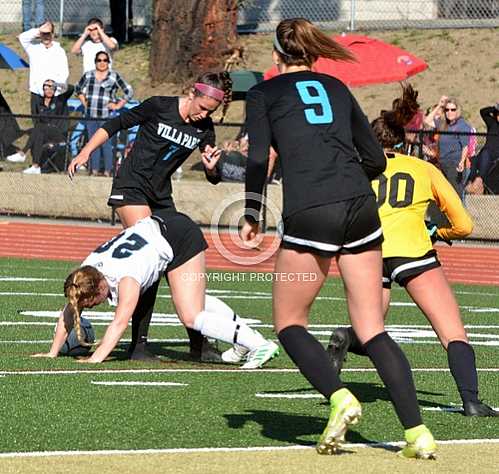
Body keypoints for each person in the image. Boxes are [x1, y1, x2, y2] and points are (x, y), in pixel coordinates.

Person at [240, 18, 436, 459]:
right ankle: (417, 433)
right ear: (313, 53)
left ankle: (341, 398)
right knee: (372, 329)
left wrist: (252, 212)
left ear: (276, 56)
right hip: (360, 205)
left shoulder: (263, 92)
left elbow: (257, 159)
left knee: (289, 325)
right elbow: (375, 159)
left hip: (312, 208)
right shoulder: (336, 86)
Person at [67, 72, 276, 363]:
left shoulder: (204, 128)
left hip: (161, 196)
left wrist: (212, 167)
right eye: (202, 107)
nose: (204, 114)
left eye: (211, 112)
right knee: (146, 262)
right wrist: (85, 152)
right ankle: (138, 346)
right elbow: (116, 124)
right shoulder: (159, 106)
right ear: (192, 93)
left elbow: (212, 177)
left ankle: (199, 343)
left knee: (181, 269)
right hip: (131, 188)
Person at [327, 85, 498, 418]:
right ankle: (472, 401)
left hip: (368, 251)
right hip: (413, 251)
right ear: (404, 141)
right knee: (452, 332)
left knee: (370, 329)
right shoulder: (423, 169)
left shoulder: (356, 170)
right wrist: (436, 231)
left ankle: (346, 337)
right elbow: (463, 225)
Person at [32, 212, 278, 369]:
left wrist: (95, 359)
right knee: (193, 302)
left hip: (179, 237)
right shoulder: (85, 274)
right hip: (160, 228)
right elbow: (70, 309)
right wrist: (52, 353)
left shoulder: (126, 277)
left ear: (99, 288)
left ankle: (258, 344)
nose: (91, 307)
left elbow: (119, 322)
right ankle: (244, 341)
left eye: (91, 303)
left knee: (191, 314)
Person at [75, 51, 133, 176]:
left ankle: (108, 171)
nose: (102, 63)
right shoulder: (88, 75)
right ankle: (94, 170)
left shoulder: (114, 76)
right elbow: (77, 88)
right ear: (95, 62)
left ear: (108, 62)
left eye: (105, 60)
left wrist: (118, 105)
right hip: (91, 116)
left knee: (107, 145)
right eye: (99, 60)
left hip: (107, 117)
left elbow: (128, 91)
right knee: (92, 144)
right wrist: (83, 100)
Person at [8, 79, 74, 174]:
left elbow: (71, 88)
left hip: (59, 135)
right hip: (45, 136)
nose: (49, 90)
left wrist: (57, 84)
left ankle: (23, 153)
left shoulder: (60, 100)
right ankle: (36, 166)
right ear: (43, 90)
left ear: (55, 89)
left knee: (39, 128)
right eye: (46, 88)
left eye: (52, 88)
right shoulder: (40, 104)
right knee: (38, 132)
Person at [424, 96, 472, 198]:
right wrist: (439, 105)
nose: (449, 112)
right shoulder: (443, 123)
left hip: (455, 165)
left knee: (455, 196)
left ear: (457, 110)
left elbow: (465, 146)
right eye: (447, 109)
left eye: (452, 109)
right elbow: (427, 121)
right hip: (443, 164)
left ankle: (461, 214)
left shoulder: (462, 125)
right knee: (447, 196)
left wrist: (461, 162)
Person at [18, 20, 69, 116]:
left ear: (52, 34)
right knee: (38, 125)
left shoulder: (59, 51)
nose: (46, 36)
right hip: (37, 93)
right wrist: (39, 29)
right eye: (43, 33)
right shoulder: (33, 48)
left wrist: (53, 86)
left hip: (56, 94)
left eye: (48, 33)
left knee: (57, 125)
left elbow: (64, 73)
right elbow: (22, 38)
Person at [466, 102, 499, 194]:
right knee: (472, 161)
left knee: (485, 154)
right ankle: (471, 185)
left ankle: (479, 180)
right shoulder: (492, 123)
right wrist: (495, 108)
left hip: (495, 155)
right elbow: (483, 112)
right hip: (485, 153)